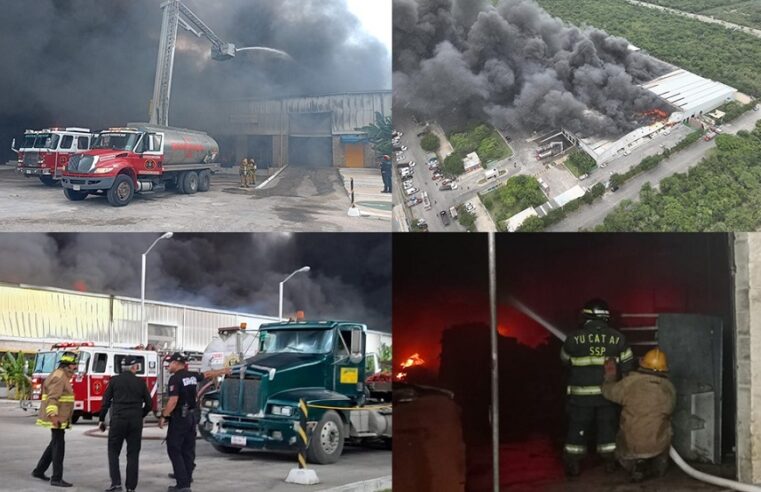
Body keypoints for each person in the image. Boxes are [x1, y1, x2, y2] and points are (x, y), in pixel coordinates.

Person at [560, 298, 634, 477]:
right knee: (607, 428)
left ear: (586, 315)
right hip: (607, 395)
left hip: (581, 396)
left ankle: (573, 463)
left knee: (578, 428)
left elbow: (565, 360)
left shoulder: (573, 338)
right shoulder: (618, 338)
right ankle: (610, 461)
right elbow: (627, 366)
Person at [602, 348, 676, 483]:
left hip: (630, 451)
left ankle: (638, 464)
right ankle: (659, 466)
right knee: (667, 423)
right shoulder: (669, 388)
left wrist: (610, 377)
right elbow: (669, 410)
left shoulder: (629, 383)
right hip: (657, 448)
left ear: (642, 363)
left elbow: (607, 392)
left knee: (624, 428)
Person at [159, 353, 230, 492]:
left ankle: (182, 484)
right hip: (191, 417)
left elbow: (173, 401)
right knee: (188, 449)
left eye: (170, 363)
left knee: (174, 449)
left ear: (176, 363)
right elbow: (208, 374)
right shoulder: (192, 375)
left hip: (180, 418)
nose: (168, 366)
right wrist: (224, 371)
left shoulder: (175, 378)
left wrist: (163, 416)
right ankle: (187, 478)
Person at [98, 355, 153, 492]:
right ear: (133, 367)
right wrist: (140, 414)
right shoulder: (140, 382)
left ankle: (116, 484)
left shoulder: (114, 381)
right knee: (133, 454)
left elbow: (105, 402)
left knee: (113, 451)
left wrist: (101, 419)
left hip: (118, 420)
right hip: (135, 422)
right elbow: (149, 404)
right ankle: (131, 487)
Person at [32, 351, 79, 488]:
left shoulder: (62, 375)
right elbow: (53, 398)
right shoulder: (59, 377)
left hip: (60, 417)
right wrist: (53, 416)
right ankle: (56, 478)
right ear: (68, 365)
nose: (75, 367)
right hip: (57, 418)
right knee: (59, 447)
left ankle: (39, 471)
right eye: (73, 364)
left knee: (54, 444)